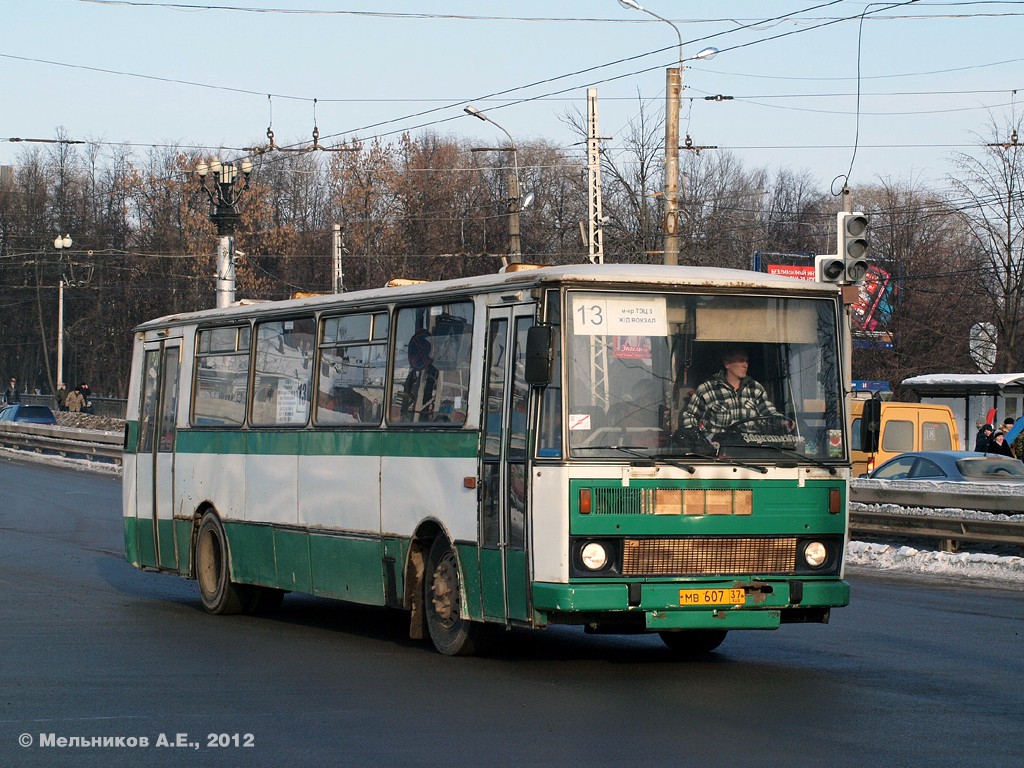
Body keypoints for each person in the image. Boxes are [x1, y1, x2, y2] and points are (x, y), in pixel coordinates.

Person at [679, 347, 793, 435]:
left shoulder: (755, 388)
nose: (746, 365)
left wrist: (782, 421)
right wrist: (698, 439)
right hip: (717, 454)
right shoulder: (707, 389)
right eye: (741, 361)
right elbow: (690, 416)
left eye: (747, 361)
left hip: (751, 450)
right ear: (727, 363)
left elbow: (768, 414)